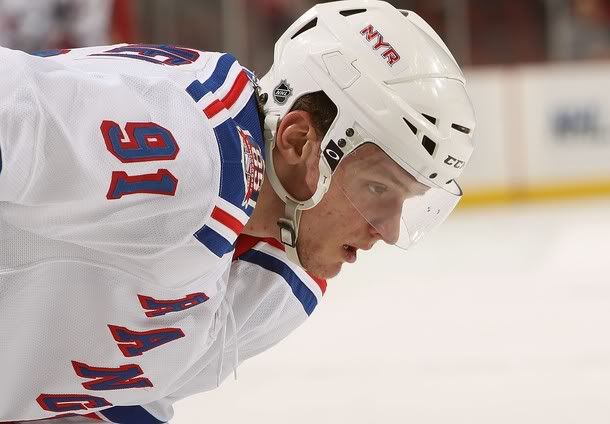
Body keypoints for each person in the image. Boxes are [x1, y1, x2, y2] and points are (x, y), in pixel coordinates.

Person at [0, 1, 475, 422]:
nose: (388, 231)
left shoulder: (282, 285)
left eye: (406, 200)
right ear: (298, 140)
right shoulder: (191, 148)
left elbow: (110, 400)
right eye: (376, 188)